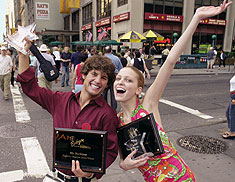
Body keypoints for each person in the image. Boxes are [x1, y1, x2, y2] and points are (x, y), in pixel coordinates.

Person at [113, 1, 232, 181]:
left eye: (128, 79)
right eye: (119, 78)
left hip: (181, 178)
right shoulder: (117, 121)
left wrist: (196, 18)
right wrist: (124, 165)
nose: (120, 82)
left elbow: (169, 61)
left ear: (138, 89)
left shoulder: (148, 104)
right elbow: (124, 159)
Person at [17, 39, 119, 181]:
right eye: (94, 74)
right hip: (57, 176)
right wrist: (23, 54)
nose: (97, 81)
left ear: (107, 83)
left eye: (104, 78)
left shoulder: (107, 114)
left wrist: (92, 173)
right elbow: (31, 88)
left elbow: (111, 151)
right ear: (84, 75)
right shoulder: (60, 100)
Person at [103, 46, 123, 111]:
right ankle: (113, 109)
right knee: (113, 93)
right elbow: (121, 68)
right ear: (111, 51)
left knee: (104, 93)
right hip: (114, 76)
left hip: (104, 76)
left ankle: (104, 107)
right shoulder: (116, 58)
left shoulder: (102, 59)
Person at [222, 75, 235, 140]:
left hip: (234, 96)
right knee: (228, 113)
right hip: (232, 95)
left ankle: (233, 133)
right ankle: (231, 130)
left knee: (232, 114)